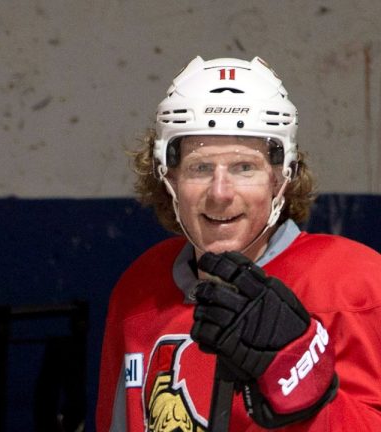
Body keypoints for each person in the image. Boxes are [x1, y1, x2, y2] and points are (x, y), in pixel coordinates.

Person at [96, 56, 381, 431]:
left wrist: (309, 397)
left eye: (244, 167)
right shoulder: (139, 288)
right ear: (169, 177)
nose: (220, 193)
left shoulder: (354, 284)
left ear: (283, 176)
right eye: (200, 168)